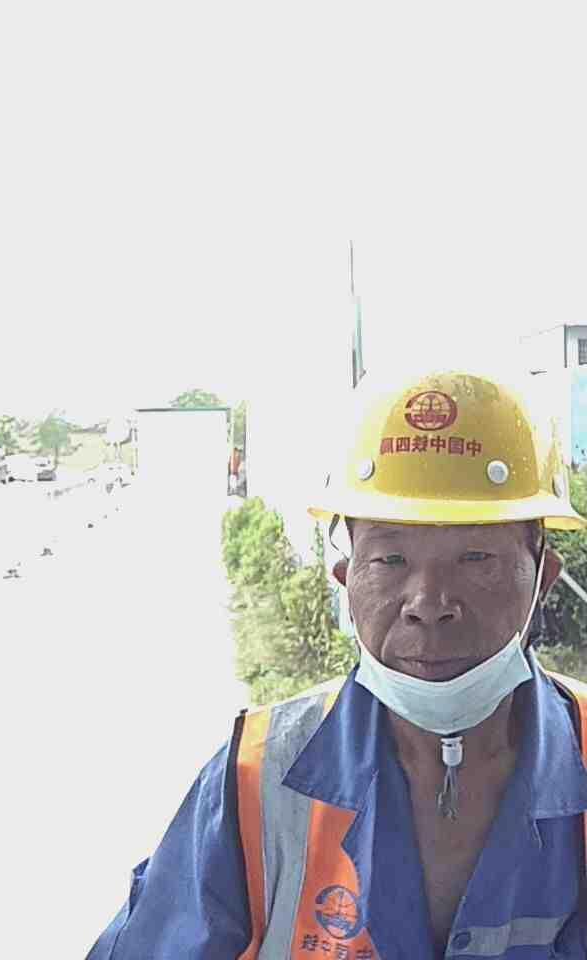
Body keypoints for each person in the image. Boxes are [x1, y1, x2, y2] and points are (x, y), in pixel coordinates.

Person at [87, 371, 587, 960]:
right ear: (346, 581)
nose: (428, 603)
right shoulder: (257, 778)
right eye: (390, 559)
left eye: (475, 557)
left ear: (543, 579)